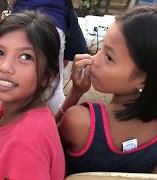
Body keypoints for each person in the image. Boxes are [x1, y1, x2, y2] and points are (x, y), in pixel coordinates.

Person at [58, 5, 157, 175]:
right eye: (101, 48)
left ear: (144, 79)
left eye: (109, 57)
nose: (94, 60)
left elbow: (42, 144)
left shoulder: (80, 121)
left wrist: (75, 93)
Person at [0, 11, 65, 179]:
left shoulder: (24, 142)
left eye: (25, 57)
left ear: (47, 76)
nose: (6, 67)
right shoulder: (13, 106)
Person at [8, 0, 68, 114]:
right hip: (56, 22)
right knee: (55, 85)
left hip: (24, 21)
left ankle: (16, 121)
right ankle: (59, 125)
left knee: (15, 78)